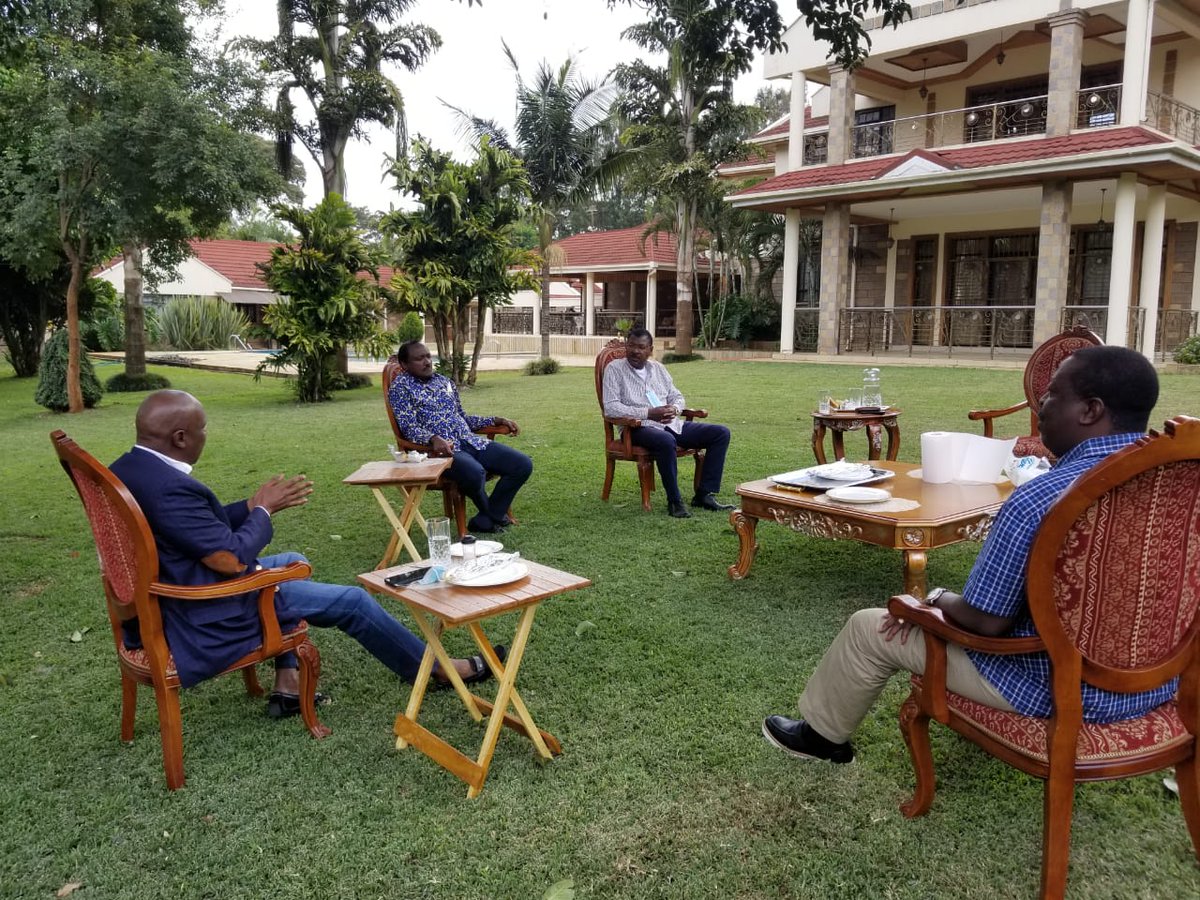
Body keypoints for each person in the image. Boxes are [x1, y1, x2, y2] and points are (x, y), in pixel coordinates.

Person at [762, 346, 1171, 764]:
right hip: (1158, 682)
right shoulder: (1181, 488)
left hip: (1046, 684)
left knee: (869, 628)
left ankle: (820, 738)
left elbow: (985, 621)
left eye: (1051, 395)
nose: (1041, 406)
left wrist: (932, 600)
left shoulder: (1040, 498)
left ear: (1090, 410)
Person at [110, 390, 498, 718]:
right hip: (208, 610)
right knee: (353, 601)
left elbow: (189, 527)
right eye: (203, 429)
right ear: (180, 437)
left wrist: (250, 505)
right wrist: (262, 513)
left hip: (171, 587)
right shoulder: (170, 488)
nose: (205, 435)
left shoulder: (129, 469)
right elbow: (230, 561)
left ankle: (288, 682)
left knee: (294, 558)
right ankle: (439, 671)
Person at [388, 341, 532, 534]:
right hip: (440, 451)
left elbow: (462, 417)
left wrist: (495, 420)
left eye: (428, 356)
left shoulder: (444, 381)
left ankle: (486, 518)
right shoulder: (400, 388)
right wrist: (433, 438)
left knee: (522, 464)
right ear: (404, 364)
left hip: (470, 441)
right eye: (419, 359)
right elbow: (408, 428)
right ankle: (491, 514)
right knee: (474, 473)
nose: (427, 362)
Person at [601, 327, 734, 518]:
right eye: (631, 346)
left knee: (720, 433)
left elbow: (677, 396)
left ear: (650, 349)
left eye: (641, 347)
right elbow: (611, 407)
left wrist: (675, 409)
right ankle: (675, 501)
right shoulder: (615, 369)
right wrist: (648, 413)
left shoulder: (658, 369)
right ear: (626, 346)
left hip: (671, 424)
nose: (635, 351)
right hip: (637, 428)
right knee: (665, 440)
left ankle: (704, 495)